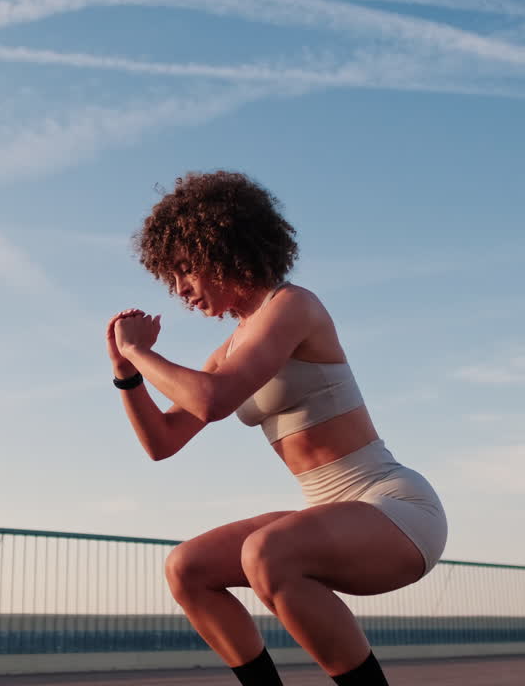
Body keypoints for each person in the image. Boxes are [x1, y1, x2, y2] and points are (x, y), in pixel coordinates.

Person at [104, 171, 447, 686]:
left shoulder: (293, 307)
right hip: (330, 513)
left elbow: (214, 400)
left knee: (267, 552)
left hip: (394, 509)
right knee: (187, 568)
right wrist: (127, 375)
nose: (180, 292)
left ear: (219, 247)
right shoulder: (231, 347)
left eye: (184, 270)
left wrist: (139, 350)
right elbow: (162, 442)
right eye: (170, 280)